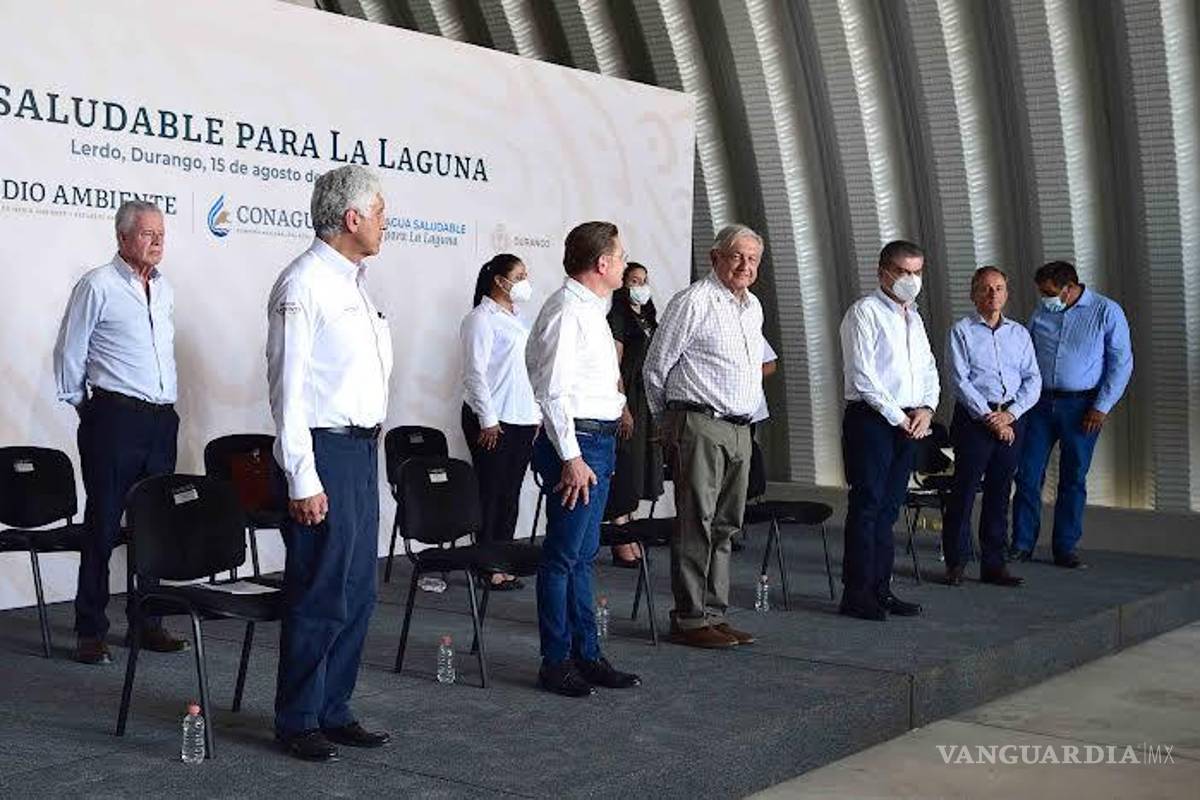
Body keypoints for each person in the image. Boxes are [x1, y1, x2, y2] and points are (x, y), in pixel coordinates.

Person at [267, 165, 392, 761]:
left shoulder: (355, 284)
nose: (385, 222)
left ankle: (333, 708)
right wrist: (301, 474)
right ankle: (297, 718)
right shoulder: (304, 283)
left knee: (360, 590)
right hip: (324, 453)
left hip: (362, 451)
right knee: (320, 590)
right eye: (380, 211)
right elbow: (287, 391)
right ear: (352, 218)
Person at [53, 200, 189, 665]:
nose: (157, 241)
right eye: (148, 233)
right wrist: (85, 408)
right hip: (114, 418)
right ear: (122, 237)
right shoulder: (97, 285)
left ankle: (146, 622)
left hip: (160, 420)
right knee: (104, 524)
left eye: (162, 234)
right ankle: (91, 629)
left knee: (154, 524)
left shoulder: (165, 289)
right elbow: (69, 351)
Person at [525, 220, 641, 697]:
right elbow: (552, 394)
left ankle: (586, 654)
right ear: (603, 263)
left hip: (598, 440)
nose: (625, 262)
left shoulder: (591, 308)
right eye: (620, 255)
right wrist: (572, 458)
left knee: (581, 557)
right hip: (578, 446)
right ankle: (556, 661)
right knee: (561, 558)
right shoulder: (567, 312)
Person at [643, 224, 765, 649]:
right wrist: (669, 423)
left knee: (727, 525)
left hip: (740, 428)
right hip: (699, 422)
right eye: (737, 256)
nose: (745, 265)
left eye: (752, 258)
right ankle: (690, 619)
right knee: (696, 522)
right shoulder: (694, 301)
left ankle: (715, 613)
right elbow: (655, 367)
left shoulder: (753, 307)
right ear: (716, 257)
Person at [838, 240, 939, 621]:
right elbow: (864, 377)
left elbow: (928, 370)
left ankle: (882, 589)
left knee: (889, 510)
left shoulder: (914, 317)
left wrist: (927, 410)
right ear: (883, 272)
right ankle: (857, 594)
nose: (911, 280)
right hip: (873, 421)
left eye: (917, 272)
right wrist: (900, 417)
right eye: (903, 271)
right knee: (867, 506)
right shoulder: (863, 313)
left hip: (909, 423)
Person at [1010, 261, 1133, 568]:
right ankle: (1022, 543)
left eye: (1048, 292)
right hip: (1039, 404)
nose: (1043, 297)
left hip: (1082, 407)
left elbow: (1121, 364)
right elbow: (1027, 357)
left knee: (1073, 477)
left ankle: (1065, 548)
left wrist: (1100, 407)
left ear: (1069, 288)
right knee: (1027, 474)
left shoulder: (1107, 312)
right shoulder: (1041, 313)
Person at [941, 267, 1041, 586]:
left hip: (1012, 419)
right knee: (965, 491)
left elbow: (1032, 378)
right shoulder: (961, 331)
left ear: (1007, 293)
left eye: (999, 288)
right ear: (973, 294)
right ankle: (956, 561)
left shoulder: (1019, 334)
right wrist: (990, 417)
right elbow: (959, 380)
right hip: (974, 421)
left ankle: (993, 564)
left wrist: (1010, 416)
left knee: (1000, 492)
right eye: (985, 289)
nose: (993, 294)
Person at [460, 253, 541, 589]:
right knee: (491, 492)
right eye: (519, 275)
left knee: (509, 494)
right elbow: (475, 374)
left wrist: (534, 414)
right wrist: (487, 420)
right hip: (491, 419)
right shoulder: (480, 318)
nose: (525, 281)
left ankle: (503, 561)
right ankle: (487, 565)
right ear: (499, 280)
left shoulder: (516, 317)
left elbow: (524, 373)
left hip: (520, 417)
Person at [604, 262, 663, 567]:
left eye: (644, 280)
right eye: (634, 280)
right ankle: (620, 535)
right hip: (628, 398)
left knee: (641, 467)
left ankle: (630, 526)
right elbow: (614, 365)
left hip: (649, 399)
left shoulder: (649, 317)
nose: (640, 285)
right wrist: (622, 406)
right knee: (625, 465)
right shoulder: (617, 316)